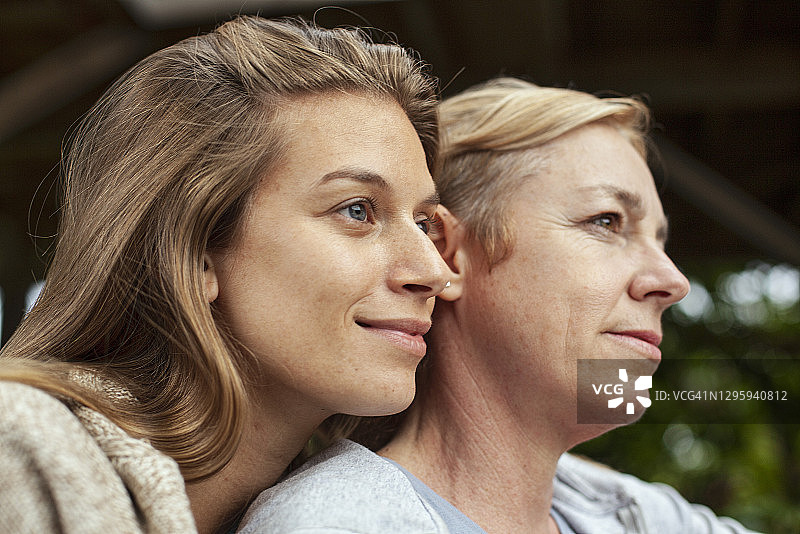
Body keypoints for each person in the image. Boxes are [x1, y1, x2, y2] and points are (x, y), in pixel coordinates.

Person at [238, 78, 760, 533]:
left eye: (660, 241)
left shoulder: (624, 513)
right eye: (606, 222)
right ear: (447, 255)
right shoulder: (337, 524)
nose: (672, 282)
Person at [0, 15, 451, 534]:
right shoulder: (21, 451)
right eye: (357, 210)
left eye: (422, 223)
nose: (433, 272)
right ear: (195, 256)